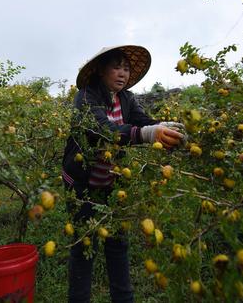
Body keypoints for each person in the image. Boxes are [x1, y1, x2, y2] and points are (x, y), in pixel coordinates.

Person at [62, 45, 184, 303]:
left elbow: (143, 121)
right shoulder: (86, 97)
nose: (122, 73)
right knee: (85, 244)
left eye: (126, 68)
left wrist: (163, 128)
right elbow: (101, 129)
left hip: (113, 182)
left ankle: (123, 299)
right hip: (83, 184)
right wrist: (144, 135)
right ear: (100, 70)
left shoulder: (126, 99)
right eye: (116, 67)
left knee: (118, 242)